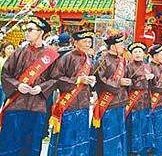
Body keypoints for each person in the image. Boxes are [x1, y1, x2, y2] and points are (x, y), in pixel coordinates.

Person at [0, 17, 58, 156]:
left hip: (37, 106)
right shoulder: (18, 52)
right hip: (16, 105)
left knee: (32, 146)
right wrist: (18, 85)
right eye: (25, 29)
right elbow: (5, 74)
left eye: (30, 29)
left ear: (41, 32)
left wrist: (41, 88)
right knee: (9, 144)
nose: (26, 32)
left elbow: (55, 79)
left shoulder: (50, 55)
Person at [48, 29, 95, 156]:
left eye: (89, 42)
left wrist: (91, 79)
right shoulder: (66, 57)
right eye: (84, 41)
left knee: (81, 136)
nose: (87, 44)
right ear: (75, 42)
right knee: (67, 136)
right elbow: (56, 77)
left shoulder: (89, 59)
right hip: (69, 104)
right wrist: (78, 79)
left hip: (84, 103)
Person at [90, 31, 129, 156]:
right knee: (108, 133)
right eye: (121, 44)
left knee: (119, 132)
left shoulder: (122, 60)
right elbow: (101, 80)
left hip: (121, 100)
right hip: (107, 103)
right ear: (113, 46)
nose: (123, 46)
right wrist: (119, 82)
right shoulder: (102, 60)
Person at [125, 42, 154, 155]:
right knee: (134, 126)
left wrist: (152, 78)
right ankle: (133, 149)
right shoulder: (128, 67)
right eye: (135, 52)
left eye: (140, 52)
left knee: (145, 125)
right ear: (131, 54)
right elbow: (127, 84)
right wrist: (142, 79)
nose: (137, 54)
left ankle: (145, 148)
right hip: (134, 102)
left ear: (144, 54)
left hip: (146, 101)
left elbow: (152, 84)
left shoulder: (147, 66)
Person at [0, 42, 16, 108]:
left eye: (12, 48)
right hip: (2, 85)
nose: (10, 50)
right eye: (8, 48)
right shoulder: (1, 59)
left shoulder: (16, 60)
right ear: (4, 49)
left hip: (11, 87)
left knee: (7, 105)